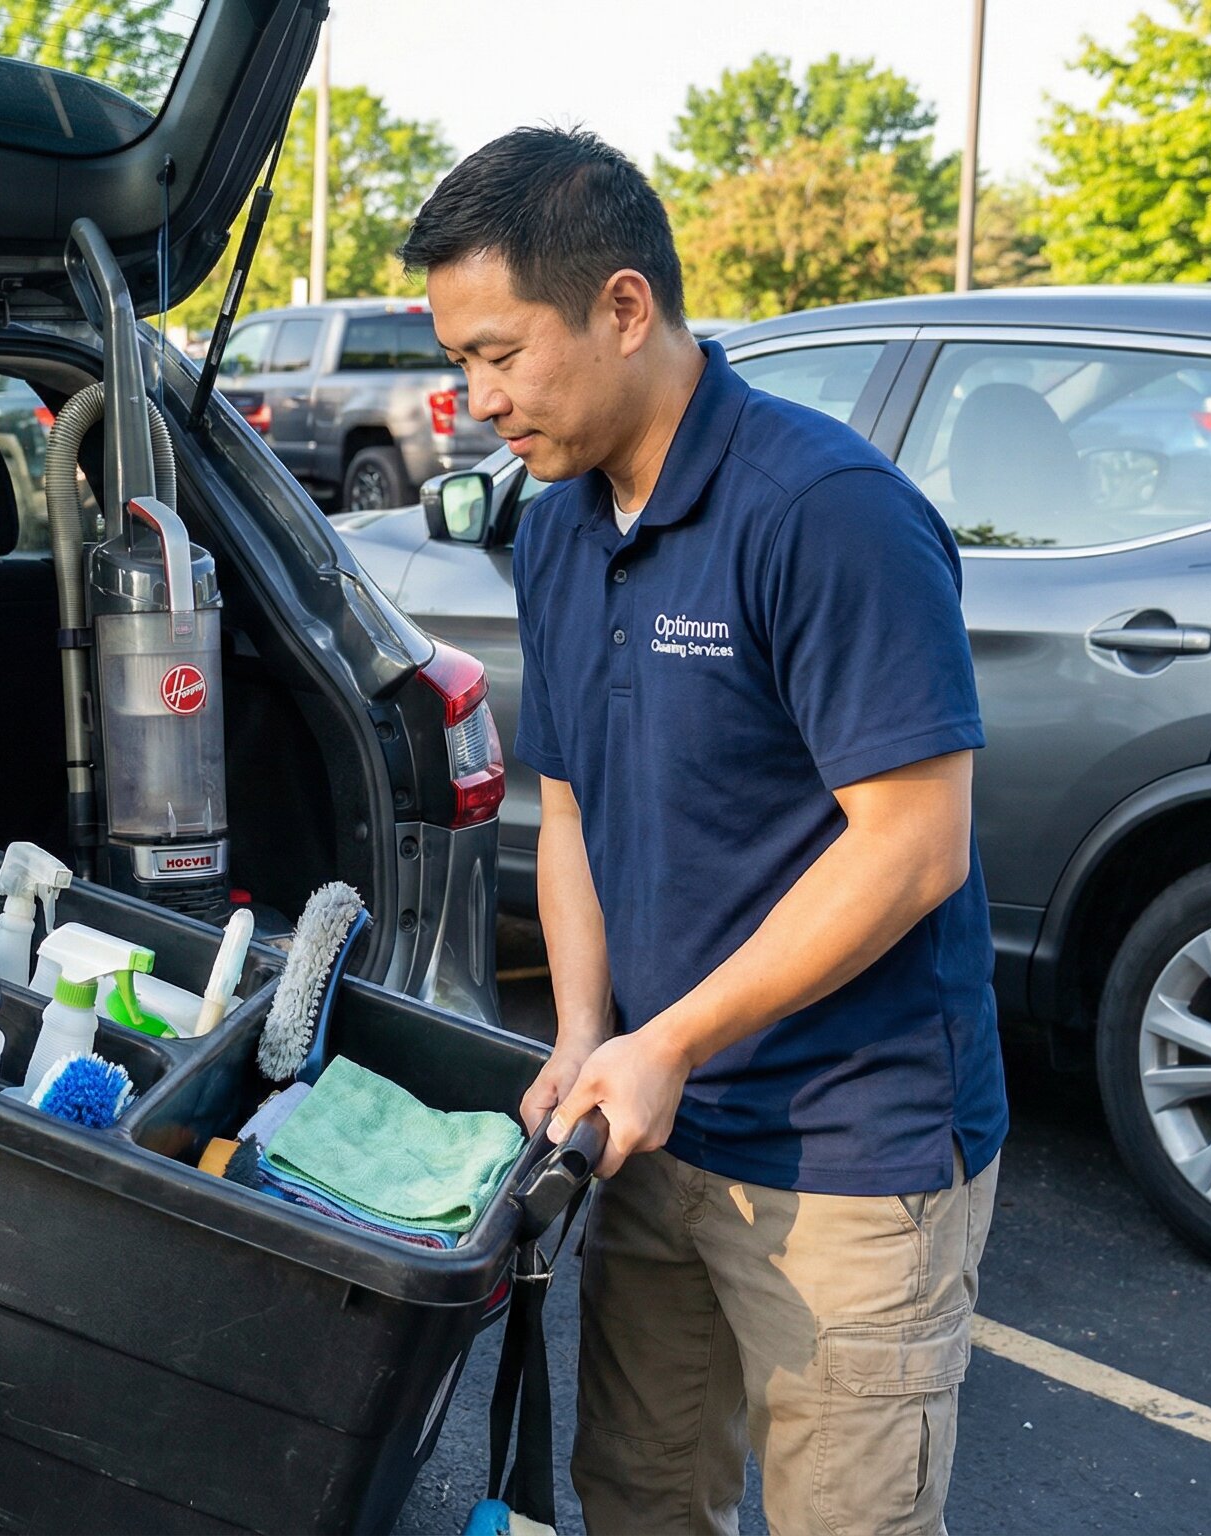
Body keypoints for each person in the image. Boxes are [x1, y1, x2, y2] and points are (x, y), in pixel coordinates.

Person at [399, 130, 1005, 1534]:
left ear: (622, 307)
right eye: (461, 362)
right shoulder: (559, 523)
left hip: (849, 1150)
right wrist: (584, 1032)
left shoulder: (826, 514)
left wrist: (666, 1040)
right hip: (654, 1124)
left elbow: (914, 845)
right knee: (638, 1498)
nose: (478, 399)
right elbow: (570, 804)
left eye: (500, 353)